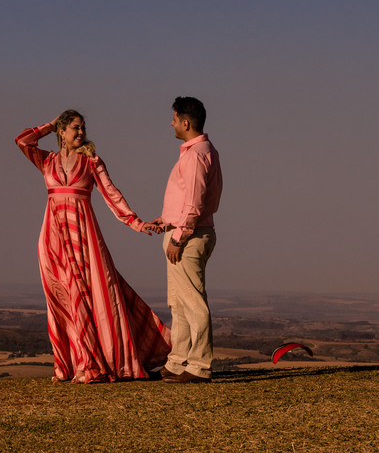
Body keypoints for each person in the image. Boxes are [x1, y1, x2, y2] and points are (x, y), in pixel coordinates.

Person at [15, 110, 170, 383]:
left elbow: (112, 195)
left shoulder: (91, 162)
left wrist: (137, 223)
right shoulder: (47, 161)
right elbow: (23, 141)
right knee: (61, 299)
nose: (81, 132)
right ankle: (71, 364)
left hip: (84, 239)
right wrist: (50, 125)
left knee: (99, 294)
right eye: (75, 127)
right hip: (52, 240)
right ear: (62, 132)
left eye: (83, 128)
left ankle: (92, 364)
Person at [144, 96, 223, 383]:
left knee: (192, 302)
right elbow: (189, 201)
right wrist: (166, 220)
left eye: (174, 119)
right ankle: (178, 362)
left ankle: (199, 366)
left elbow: (193, 204)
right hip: (184, 232)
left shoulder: (195, 155)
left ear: (185, 123)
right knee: (178, 303)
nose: (172, 123)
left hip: (188, 237)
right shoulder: (202, 151)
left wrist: (178, 237)